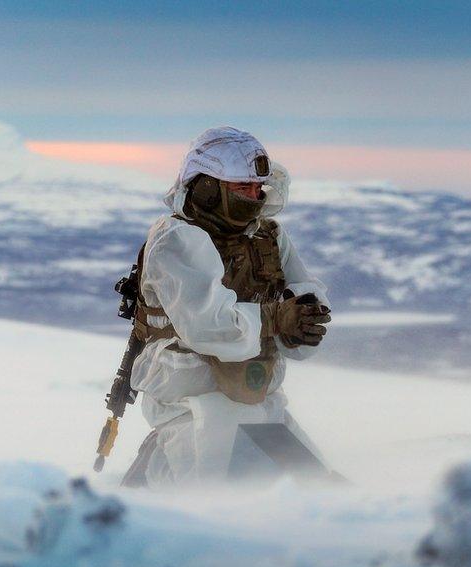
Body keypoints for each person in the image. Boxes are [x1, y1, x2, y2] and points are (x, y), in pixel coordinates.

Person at [121, 127, 333, 488]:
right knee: (210, 508)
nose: (254, 196)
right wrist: (274, 319)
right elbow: (208, 326)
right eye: (242, 188)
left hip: (262, 405)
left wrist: (305, 321)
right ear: (206, 187)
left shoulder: (268, 236)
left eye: (257, 188)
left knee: (319, 493)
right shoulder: (176, 239)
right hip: (194, 410)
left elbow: (303, 293)